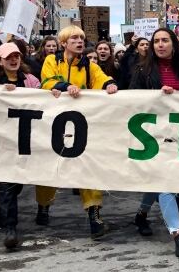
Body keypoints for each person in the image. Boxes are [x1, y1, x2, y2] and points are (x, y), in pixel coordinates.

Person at [38, 25, 118, 238]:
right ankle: (43, 206)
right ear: (64, 43)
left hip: (81, 127)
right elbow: (46, 82)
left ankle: (95, 216)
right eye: (74, 38)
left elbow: (101, 78)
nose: (79, 41)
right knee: (49, 167)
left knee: (88, 167)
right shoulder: (51, 61)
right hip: (55, 125)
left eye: (82, 37)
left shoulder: (88, 65)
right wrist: (65, 87)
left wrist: (109, 84)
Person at [129, 28, 179, 257]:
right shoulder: (143, 69)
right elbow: (132, 98)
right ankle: (178, 236)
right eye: (156, 41)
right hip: (153, 134)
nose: (160, 45)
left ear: (173, 43)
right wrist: (156, 96)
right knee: (165, 181)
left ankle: (141, 215)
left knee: (159, 181)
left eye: (165, 40)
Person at [0, 42, 51, 249]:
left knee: (17, 183)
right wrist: (0, 93)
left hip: (27, 140)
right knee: (7, 184)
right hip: (2, 141)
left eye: (17, 56)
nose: (13, 60)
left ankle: (5, 213)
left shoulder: (30, 80)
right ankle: (10, 228)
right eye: (9, 57)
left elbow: (42, 101)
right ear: (0, 60)